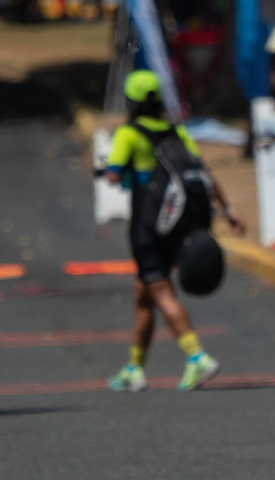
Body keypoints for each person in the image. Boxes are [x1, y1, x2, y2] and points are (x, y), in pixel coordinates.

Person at [102, 70, 245, 392]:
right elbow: (202, 171)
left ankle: (197, 357)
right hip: (175, 223)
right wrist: (228, 210)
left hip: (147, 226)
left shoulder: (128, 133)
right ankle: (134, 368)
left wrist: (113, 169)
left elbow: (113, 174)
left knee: (160, 290)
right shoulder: (176, 130)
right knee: (144, 293)